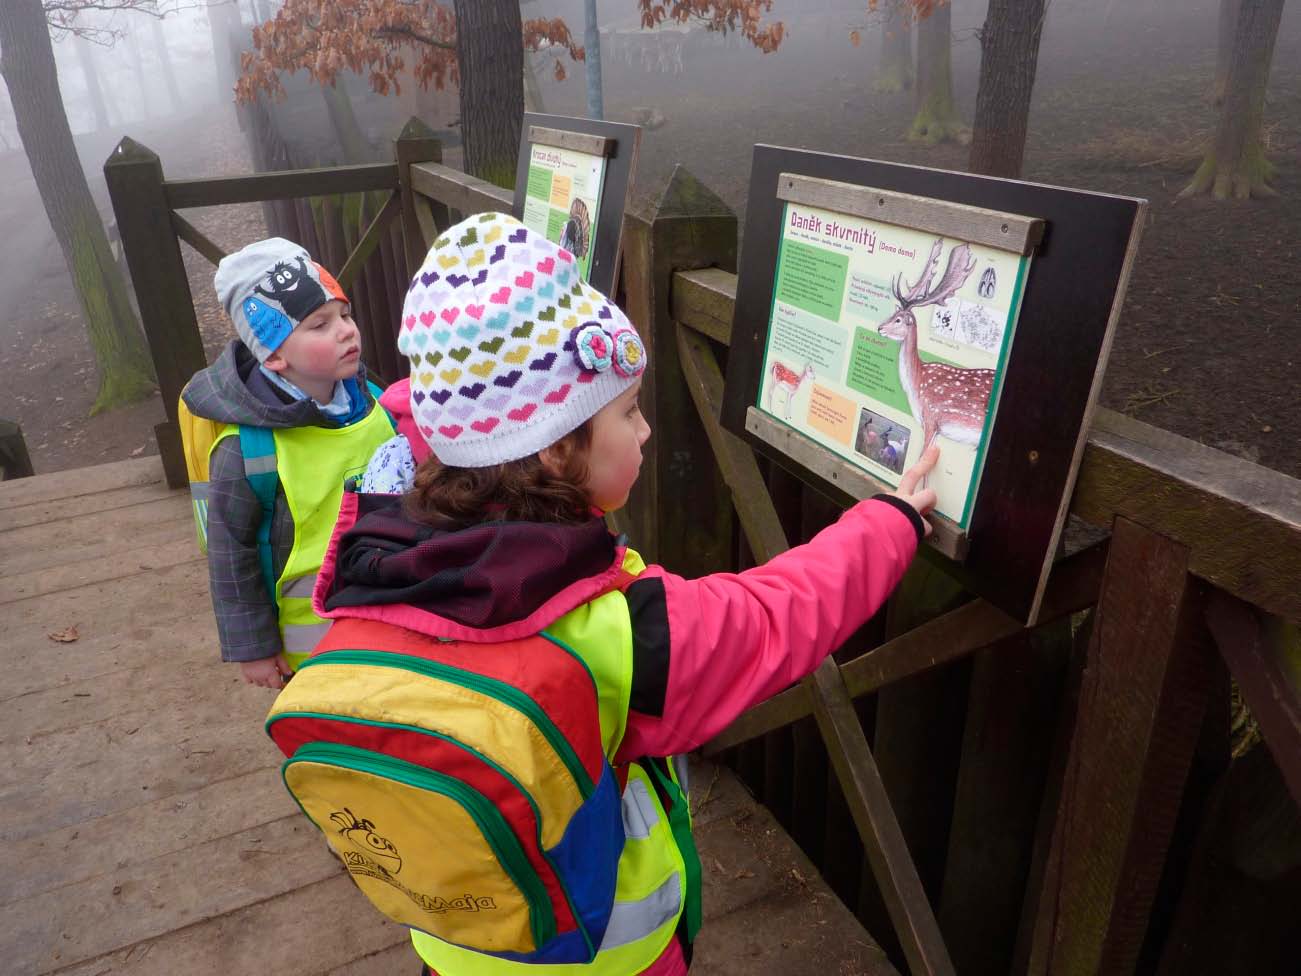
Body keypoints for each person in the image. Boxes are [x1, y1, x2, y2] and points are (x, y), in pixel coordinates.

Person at [311, 213, 936, 975]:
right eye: (627, 411)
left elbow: (425, 412)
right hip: (608, 953)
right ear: (554, 445)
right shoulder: (614, 628)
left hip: (459, 946)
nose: (644, 433)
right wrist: (892, 521)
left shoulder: (381, 550)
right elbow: (778, 613)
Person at [182, 238, 395, 688]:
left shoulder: (376, 404)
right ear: (274, 354)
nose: (346, 331)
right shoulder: (246, 452)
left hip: (387, 614)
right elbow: (229, 556)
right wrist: (255, 649)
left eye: (345, 314)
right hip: (309, 646)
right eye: (319, 324)